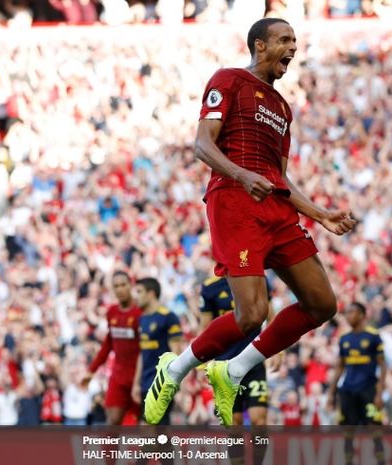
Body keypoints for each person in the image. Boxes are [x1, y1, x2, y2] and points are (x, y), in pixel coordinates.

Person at [143, 16, 356, 427]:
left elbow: (281, 179)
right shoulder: (230, 80)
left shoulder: (282, 109)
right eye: (284, 40)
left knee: (322, 304)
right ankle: (173, 370)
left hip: (274, 207)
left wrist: (321, 214)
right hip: (235, 202)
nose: (292, 47)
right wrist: (241, 175)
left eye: (295, 40)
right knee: (251, 314)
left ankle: (233, 370)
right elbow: (202, 143)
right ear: (260, 46)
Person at [200, 275, 275, 465]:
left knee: (259, 421)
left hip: (254, 362)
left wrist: (278, 352)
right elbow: (205, 328)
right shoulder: (210, 287)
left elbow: (271, 316)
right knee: (234, 424)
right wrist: (202, 362)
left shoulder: (257, 278)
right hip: (225, 366)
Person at [327, 302, 386, 465]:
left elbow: (382, 365)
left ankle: (381, 461)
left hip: (368, 389)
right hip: (347, 390)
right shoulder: (344, 339)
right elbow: (339, 366)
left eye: (352, 312)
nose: (348, 316)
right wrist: (331, 394)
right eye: (346, 313)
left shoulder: (373, 336)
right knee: (347, 430)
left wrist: (380, 393)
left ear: (362, 315)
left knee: (375, 428)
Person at [83, 271, 141, 425]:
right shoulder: (112, 312)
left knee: (146, 424)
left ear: (131, 285)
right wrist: (91, 371)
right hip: (118, 376)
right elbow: (108, 344)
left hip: (140, 376)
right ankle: (109, 450)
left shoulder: (140, 312)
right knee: (113, 421)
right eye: (116, 286)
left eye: (123, 285)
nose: (120, 289)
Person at [132, 277, 184, 425]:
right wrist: (136, 383)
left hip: (161, 383)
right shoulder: (142, 319)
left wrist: (177, 384)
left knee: (150, 431)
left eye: (139, 291)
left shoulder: (168, 317)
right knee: (156, 434)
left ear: (151, 293)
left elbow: (177, 355)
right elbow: (142, 354)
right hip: (145, 382)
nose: (137, 296)